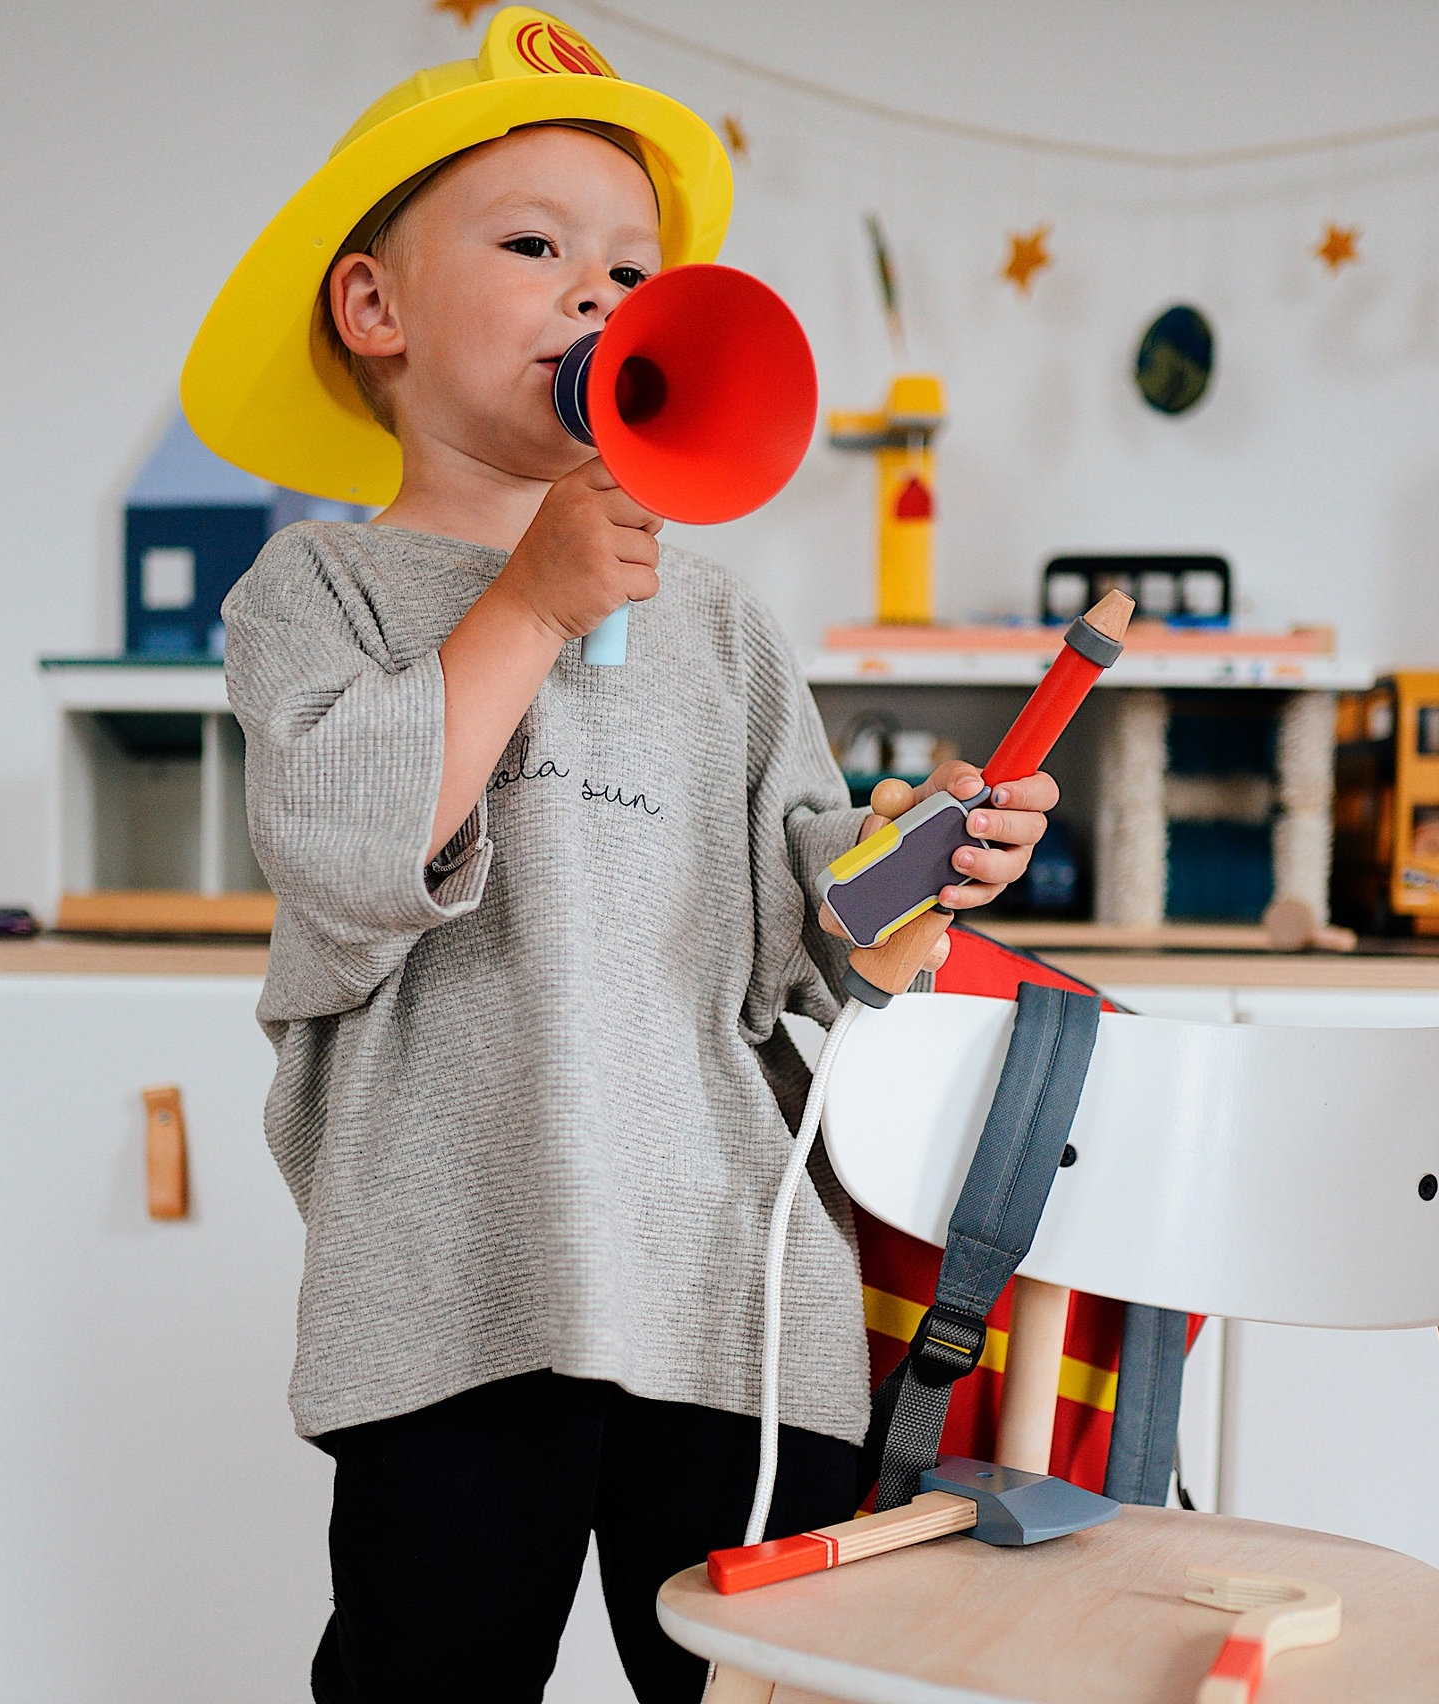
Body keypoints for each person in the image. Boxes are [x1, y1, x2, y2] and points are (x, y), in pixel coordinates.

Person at [181, 12, 1057, 1701]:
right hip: (450, 1290)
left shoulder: (719, 620)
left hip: (730, 1285)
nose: (601, 296)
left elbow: (822, 952)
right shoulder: (316, 596)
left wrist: (921, 864)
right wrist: (536, 600)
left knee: (764, 1686)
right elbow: (352, 854)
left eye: (632, 270)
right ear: (375, 309)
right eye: (534, 245)